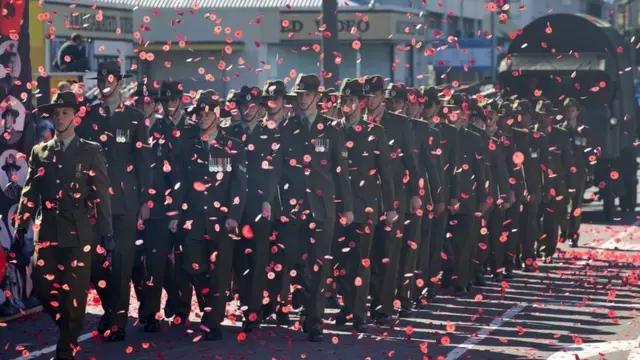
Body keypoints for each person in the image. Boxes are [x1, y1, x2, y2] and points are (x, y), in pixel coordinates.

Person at [14, 90, 112, 360]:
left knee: (76, 291)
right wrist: (22, 225)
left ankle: (66, 345)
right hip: (46, 231)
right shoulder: (40, 151)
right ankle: (69, 325)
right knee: (43, 287)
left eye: (64, 113)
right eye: (56, 113)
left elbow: (102, 193)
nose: (59, 117)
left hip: (79, 232)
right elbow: (30, 191)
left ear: (75, 117)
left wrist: (107, 233)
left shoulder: (90, 151)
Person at [74, 60, 152, 341]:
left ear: (119, 81)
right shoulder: (87, 118)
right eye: (101, 79)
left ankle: (117, 322)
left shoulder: (134, 118)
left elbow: (144, 161)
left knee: (121, 261)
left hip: (124, 202)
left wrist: (145, 201)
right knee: (96, 263)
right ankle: (110, 308)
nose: (105, 83)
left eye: (110, 79)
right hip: (93, 203)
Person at [275, 73, 353, 342]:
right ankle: (303, 297)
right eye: (298, 96)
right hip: (294, 207)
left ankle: (315, 320)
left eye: (306, 95)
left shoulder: (331, 129)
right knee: (294, 261)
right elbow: (278, 171)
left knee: (319, 265)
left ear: (317, 98)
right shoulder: (286, 128)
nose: (301, 100)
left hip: (323, 207)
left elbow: (340, 171)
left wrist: (347, 207)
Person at [172, 90, 247, 341]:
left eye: (206, 113)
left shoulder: (232, 146)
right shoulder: (187, 145)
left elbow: (239, 184)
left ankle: (212, 321)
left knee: (220, 271)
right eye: (198, 114)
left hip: (221, 219)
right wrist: (175, 213)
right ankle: (210, 305)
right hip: (193, 218)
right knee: (194, 266)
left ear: (217, 115)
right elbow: (179, 182)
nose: (202, 118)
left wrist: (234, 215)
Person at [331, 78, 395, 332]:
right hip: (337, 206)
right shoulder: (333, 130)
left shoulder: (374, 132)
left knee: (360, 260)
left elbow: (386, 174)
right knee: (339, 261)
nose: (347, 105)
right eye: (343, 101)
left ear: (360, 103)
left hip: (364, 206)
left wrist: (389, 207)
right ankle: (347, 306)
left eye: (352, 101)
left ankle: (359, 311)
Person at [224, 84, 283, 331]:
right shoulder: (228, 134)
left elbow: (273, 172)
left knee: (259, 258)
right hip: (234, 207)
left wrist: (268, 200)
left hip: (260, 205)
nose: (247, 110)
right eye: (242, 105)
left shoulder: (271, 134)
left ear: (261, 108)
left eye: (252, 106)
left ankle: (254, 310)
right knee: (237, 259)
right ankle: (246, 301)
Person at [364, 75, 421, 324]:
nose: (368, 101)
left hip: (395, 198)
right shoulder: (357, 123)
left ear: (382, 98)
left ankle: (383, 307)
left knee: (388, 255)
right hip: (364, 199)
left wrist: (416, 195)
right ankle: (363, 303)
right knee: (366, 254)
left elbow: (412, 162)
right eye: (365, 96)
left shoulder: (399, 124)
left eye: (373, 96)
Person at [154, 81, 198, 324]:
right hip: (160, 201)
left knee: (182, 256)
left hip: (188, 202)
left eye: (172, 100)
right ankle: (173, 295)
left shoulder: (192, 129)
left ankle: (182, 306)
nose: (169, 105)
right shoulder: (153, 128)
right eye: (164, 101)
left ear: (181, 100)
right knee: (159, 257)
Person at [442, 93, 489, 296]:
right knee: (445, 243)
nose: (455, 114)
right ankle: (447, 276)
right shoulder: (440, 133)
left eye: (459, 111)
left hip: (466, 198)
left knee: (463, 244)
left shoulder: (475, 138)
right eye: (451, 110)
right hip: (443, 196)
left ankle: (462, 280)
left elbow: (481, 171)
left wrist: (484, 197)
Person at [417, 86, 460, 303]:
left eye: (428, 105)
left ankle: (430, 282)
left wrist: (452, 196)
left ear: (437, 106)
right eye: (421, 104)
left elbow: (455, 166)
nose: (423, 109)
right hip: (419, 194)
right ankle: (418, 283)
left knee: (436, 242)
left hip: (441, 193)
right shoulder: (413, 128)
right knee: (420, 242)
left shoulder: (449, 133)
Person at [535, 100, 575, 262]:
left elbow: (568, 160)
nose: (546, 118)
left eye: (548, 115)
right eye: (543, 115)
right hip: (535, 183)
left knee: (551, 220)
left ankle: (547, 251)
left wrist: (571, 184)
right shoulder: (529, 133)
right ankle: (533, 247)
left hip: (556, 184)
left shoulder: (561, 134)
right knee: (533, 220)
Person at [513, 99, 550, 272]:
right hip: (514, 189)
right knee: (514, 224)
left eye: (525, 113)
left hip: (533, 188)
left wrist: (545, 188)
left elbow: (544, 166)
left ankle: (528, 257)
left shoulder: (539, 138)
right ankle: (513, 258)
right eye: (519, 113)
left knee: (530, 225)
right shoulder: (510, 137)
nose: (522, 117)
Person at [559, 98, 595, 247]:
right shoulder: (559, 130)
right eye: (568, 109)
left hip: (579, 172)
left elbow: (590, 153)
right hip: (563, 173)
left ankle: (573, 233)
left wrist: (591, 171)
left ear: (577, 112)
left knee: (576, 205)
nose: (570, 112)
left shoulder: (584, 131)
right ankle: (564, 229)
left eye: (573, 109)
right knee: (562, 204)